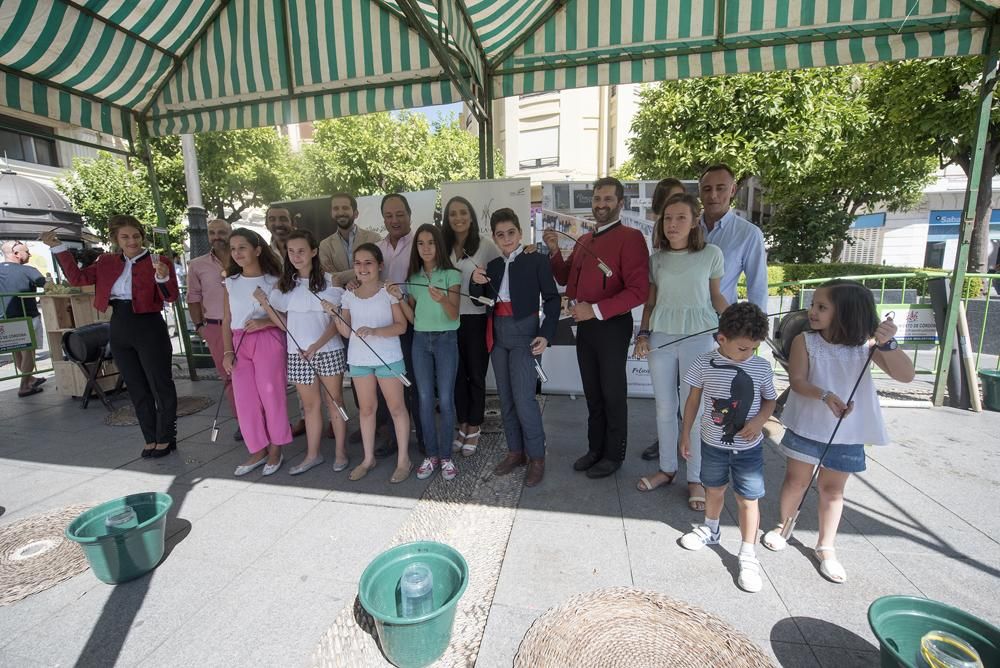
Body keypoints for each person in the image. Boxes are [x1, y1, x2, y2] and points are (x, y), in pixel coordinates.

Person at [761, 280, 914, 584]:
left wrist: (889, 344)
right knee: (796, 481)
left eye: (821, 307)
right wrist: (825, 395)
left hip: (847, 432)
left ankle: (825, 547)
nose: (812, 311)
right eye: (813, 305)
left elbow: (905, 375)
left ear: (846, 313)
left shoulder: (869, 344)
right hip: (808, 424)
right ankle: (783, 525)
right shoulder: (805, 340)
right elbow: (798, 381)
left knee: (833, 490)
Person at [42, 218, 179, 458]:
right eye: (125, 237)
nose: (132, 241)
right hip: (120, 325)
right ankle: (150, 437)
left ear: (142, 236)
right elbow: (77, 279)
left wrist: (162, 278)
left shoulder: (159, 261)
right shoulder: (106, 262)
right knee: (136, 386)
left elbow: (171, 297)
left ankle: (166, 436)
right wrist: (57, 247)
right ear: (116, 239)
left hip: (149, 325)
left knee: (160, 384)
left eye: (136, 236)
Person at [542, 177, 650, 478]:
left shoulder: (631, 238)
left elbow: (639, 291)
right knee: (592, 392)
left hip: (612, 325)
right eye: (597, 198)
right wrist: (553, 250)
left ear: (620, 203)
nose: (601, 204)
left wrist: (596, 309)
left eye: (608, 199)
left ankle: (613, 455)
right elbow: (565, 279)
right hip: (586, 327)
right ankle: (595, 449)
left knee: (612, 393)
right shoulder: (585, 241)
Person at [634, 194, 729, 511]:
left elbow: (716, 297)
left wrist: (738, 325)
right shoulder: (657, 258)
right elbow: (651, 301)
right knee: (664, 407)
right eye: (667, 218)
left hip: (699, 337)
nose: (672, 224)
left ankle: (696, 478)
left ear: (694, 222)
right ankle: (667, 469)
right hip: (661, 336)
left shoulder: (711, 254)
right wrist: (643, 333)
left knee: (696, 411)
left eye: (680, 218)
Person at [677, 303, 777, 593]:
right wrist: (685, 434)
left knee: (748, 498)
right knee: (714, 488)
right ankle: (711, 528)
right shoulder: (703, 363)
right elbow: (693, 400)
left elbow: (770, 400)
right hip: (712, 443)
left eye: (754, 349)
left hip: (748, 448)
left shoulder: (760, 367)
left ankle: (748, 552)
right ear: (722, 339)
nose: (748, 355)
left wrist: (759, 421)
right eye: (743, 348)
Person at [471, 208, 559, 487]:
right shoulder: (494, 266)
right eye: (500, 234)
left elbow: (553, 300)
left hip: (526, 336)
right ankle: (515, 451)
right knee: (506, 399)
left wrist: (545, 335)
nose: (506, 238)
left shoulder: (537, 260)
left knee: (525, 400)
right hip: (498, 337)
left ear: (520, 233)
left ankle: (537, 457)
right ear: (494, 238)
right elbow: (479, 301)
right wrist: (475, 284)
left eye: (511, 232)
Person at [257, 229, 348, 476]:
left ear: (314, 252)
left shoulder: (330, 282)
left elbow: (336, 322)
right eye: (291, 251)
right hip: (297, 354)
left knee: (335, 402)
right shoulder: (285, 285)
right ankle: (312, 454)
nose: (296, 256)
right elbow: (284, 322)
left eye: (301, 250)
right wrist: (265, 304)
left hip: (328, 350)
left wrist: (317, 345)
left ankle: (340, 452)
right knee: (310, 407)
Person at [334, 243, 412, 483]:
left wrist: (375, 331)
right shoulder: (348, 294)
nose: (362, 268)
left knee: (397, 408)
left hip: (388, 358)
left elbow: (401, 326)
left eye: (368, 262)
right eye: (358, 263)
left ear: (379, 265)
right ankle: (368, 459)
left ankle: (403, 460)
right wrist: (334, 315)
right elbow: (346, 332)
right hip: (359, 360)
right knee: (366, 410)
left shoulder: (388, 291)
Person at [390, 223, 461, 481]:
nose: (426, 248)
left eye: (431, 242)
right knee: (423, 399)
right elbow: (412, 318)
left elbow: (454, 314)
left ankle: (446, 457)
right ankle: (431, 455)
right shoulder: (414, 278)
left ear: (438, 245)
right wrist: (399, 298)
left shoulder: (451, 275)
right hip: (420, 341)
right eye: (421, 243)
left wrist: (443, 299)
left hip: (446, 340)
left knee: (445, 397)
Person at [222, 228, 290, 477]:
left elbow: (286, 319)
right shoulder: (230, 282)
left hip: (267, 340)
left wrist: (265, 323)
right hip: (239, 342)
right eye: (233, 248)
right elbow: (227, 318)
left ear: (257, 250)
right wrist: (227, 351)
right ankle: (258, 448)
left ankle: (276, 448)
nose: (237, 253)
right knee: (246, 400)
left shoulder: (274, 281)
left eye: (242, 247)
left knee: (271, 396)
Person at [443, 195, 500, 457]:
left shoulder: (486, 246)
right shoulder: (443, 246)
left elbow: (504, 269)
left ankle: (475, 426)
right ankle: (462, 422)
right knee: (457, 376)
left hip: (476, 319)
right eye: (453, 213)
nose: (458, 218)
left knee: (476, 375)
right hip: (448, 319)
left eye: (463, 213)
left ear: (472, 216)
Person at [642, 177, 689, 462]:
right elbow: (653, 293)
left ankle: (692, 446)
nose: (673, 218)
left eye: (681, 209)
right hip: (664, 325)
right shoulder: (658, 242)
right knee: (666, 399)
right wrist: (644, 332)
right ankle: (667, 445)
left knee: (693, 395)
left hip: (699, 327)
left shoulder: (705, 247)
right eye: (667, 211)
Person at [374, 193, 424, 458]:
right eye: (389, 215)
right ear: (383, 218)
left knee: (416, 382)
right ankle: (390, 436)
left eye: (399, 214)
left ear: (409, 214)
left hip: (415, 322)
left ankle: (424, 437)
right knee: (388, 385)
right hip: (385, 326)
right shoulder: (377, 248)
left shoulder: (421, 243)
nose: (394, 220)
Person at [187, 219, 241, 439]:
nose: (217, 236)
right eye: (212, 233)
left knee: (254, 376)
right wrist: (200, 326)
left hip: (245, 326)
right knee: (229, 378)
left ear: (230, 233)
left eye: (222, 232)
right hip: (216, 327)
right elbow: (193, 297)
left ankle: (264, 419)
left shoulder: (243, 258)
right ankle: (243, 422)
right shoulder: (197, 265)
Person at [698, 164, 768, 312]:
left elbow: (757, 287)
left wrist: (756, 332)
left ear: (733, 190)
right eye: (707, 189)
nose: (713, 195)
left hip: (722, 323)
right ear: (700, 192)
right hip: (681, 322)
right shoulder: (687, 228)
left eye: (720, 188)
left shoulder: (748, 234)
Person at [264, 203, 307, 437]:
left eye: (283, 219)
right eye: (273, 219)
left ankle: (324, 418)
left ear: (292, 222)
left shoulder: (301, 246)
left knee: (308, 367)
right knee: (286, 374)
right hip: (275, 316)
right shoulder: (262, 251)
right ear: (267, 223)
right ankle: (297, 419)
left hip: (302, 318)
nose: (278, 223)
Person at [0, 240, 46, 397]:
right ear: (16, 254)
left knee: (17, 351)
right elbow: (46, 285)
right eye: (27, 251)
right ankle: (24, 386)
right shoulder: (28, 270)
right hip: (27, 316)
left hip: (4, 318)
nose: (30, 254)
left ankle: (30, 378)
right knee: (29, 353)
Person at [318, 193, 382, 286]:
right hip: (338, 298)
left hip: (370, 297)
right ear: (331, 214)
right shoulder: (325, 245)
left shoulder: (374, 239)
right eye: (336, 209)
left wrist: (339, 276)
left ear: (356, 213)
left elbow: (379, 270)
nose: (340, 213)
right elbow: (327, 277)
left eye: (345, 208)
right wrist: (363, 270)